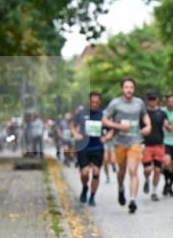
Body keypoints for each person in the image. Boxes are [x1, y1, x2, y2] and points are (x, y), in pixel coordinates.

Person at [102, 78, 151, 214]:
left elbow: (145, 116)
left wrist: (148, 125)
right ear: (122, 88)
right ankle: (120, 187)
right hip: (119, 142)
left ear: (134, 89)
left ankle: (132, 200)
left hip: (135, 141)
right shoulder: (115, 103)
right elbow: (104, 120)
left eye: (131, 87)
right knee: (121, 171)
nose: (129, 90)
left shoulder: (139, 103)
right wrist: (118, 126)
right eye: (126, 87)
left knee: (133, 170)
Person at [71, 92, 109, 205]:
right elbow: (72, 126)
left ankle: (92, 196)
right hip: (83, 147)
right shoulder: (81, 113)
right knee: (85, 173)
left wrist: (106, 137)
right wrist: (76, 134)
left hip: (97, 147)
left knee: (96, 172)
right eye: (92, 102)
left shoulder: (103, 114)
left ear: (100, 102)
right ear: (89, 101)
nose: (94, 104)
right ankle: (84, 188)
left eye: (97, 102)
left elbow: (112, 128)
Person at [142, 92, 167, 202]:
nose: (152, 101)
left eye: (154, 99)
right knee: (148, 169)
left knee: (157, 169)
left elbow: (167, 125)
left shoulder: (161, 113)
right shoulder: (143, 113)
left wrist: (170, 126)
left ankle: (154, 191)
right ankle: (147, 179)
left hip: (158, 144)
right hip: (146, 144)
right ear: (147, 100)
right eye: (150, 99)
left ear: (157, 99)